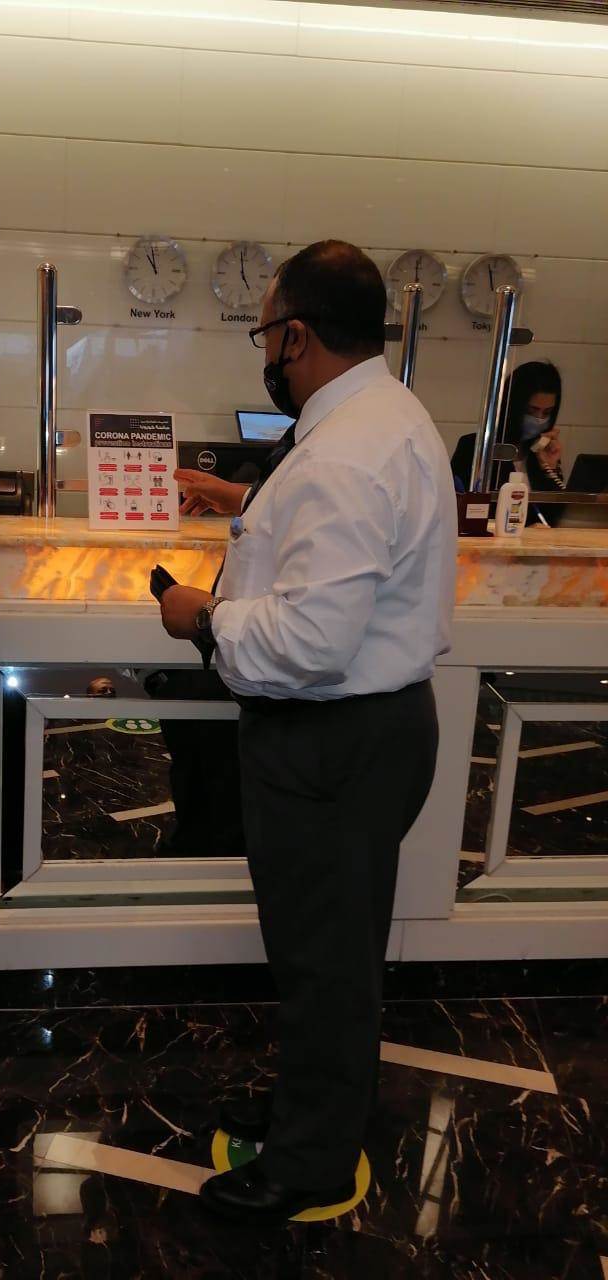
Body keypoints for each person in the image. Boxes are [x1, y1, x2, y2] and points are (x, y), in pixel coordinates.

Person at [160, 241, 456, 1222]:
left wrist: (204, 617)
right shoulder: (384, 415)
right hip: (370, 731)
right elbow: (331, 557)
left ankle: (312, 1159)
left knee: (324, 964)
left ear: (295, 334)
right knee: (333, 949)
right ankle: (314, 1112)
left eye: (265, 334)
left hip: (331, 738)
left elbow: (310, 641)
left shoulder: (345, 451)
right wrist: (246, 508)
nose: (265, 354)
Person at [451, 360, 564, 525]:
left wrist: (550, 468)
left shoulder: (542, 453)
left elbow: (553, 519)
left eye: (547, 413)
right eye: (531, 410)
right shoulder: (475, 447)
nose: (539, 419)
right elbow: (457, 507)